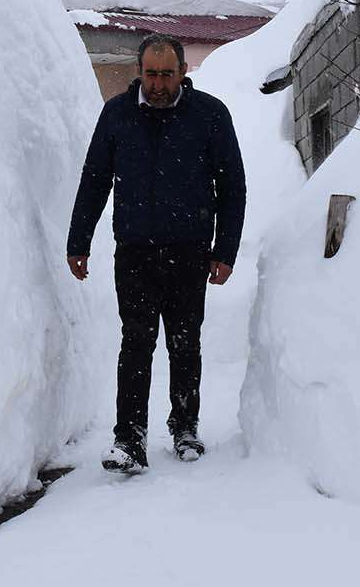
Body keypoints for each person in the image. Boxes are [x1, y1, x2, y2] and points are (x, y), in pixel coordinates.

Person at [66, 33, 247, 473]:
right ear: (139, 73)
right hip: (135, 252)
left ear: (183, 72)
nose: (160, 83)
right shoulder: (117, 115)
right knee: (136, 344)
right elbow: (95, 180)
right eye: (152, 74)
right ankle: (129, 438)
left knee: (185, 345)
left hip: (190, 252)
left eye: (168, 74)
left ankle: (185, 427)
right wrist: (79, 241)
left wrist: (225, 251)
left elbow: (233, 188)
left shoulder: (209, 115)